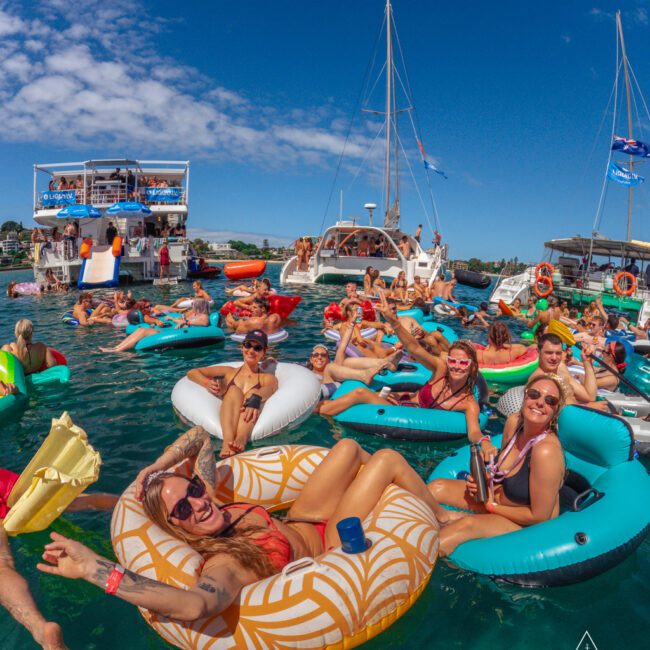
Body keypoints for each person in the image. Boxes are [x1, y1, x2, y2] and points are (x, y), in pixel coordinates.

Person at [37, 431, 462, 623]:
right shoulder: (226, 560)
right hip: (327, 545)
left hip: (302, 517)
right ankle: (440, 520)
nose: (197, 506)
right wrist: (96, 570)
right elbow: (195, 607)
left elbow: (200, 437)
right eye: (181, 511)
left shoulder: (214, 503)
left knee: (349, 447)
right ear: (178, 529)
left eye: (193, 493)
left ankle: (407, 507)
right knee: (385, 458)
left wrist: (156, 468)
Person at [428, 374, 566, 557]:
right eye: (534, 394)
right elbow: (503, 474)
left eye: (550, 401)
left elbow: (539, 517)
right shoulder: (514, 423)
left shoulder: (545, 451)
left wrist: (491, 507)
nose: (540, 402)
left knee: (466, 526)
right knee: (436, 488)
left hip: (525, 524)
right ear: (525, 395)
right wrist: (482, 483)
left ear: (555, 412)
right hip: (495, 502)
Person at [319, 306, 487, 450]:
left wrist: (484, 443)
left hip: (412, 419)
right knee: (343, 398)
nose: (457, 366)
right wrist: (394, 322)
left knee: (360, 393)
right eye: (453, 361)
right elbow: (414, 349)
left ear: (472, 366)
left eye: (463, 363)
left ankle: (317, 413)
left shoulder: (468, 402)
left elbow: (474, 432)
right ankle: (316, 410)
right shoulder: (441, 370)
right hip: (399, 404)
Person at [187, 331, 279, 457]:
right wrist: (207, 383)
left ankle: (241, 438)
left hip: (247, 420)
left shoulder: (265, 377)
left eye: (257, 348)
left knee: (253, 393)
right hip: (230, 411)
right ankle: (227, 442)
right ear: (242, 347)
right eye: (248, 345)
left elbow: (271, 388)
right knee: (234, 390)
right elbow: (192, 372)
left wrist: (257, 396)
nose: (251, 351)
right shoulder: (229, 372)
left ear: (264, 351)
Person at [100, 300, 211, 353]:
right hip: (171, 331)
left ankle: (119, 350)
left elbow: (204, 323)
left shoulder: (204, 316)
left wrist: (187, 322)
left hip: (170, 334)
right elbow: (182, 321)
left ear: (200, 307)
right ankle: (116, 347)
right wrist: (173, 319)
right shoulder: (196, 316)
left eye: (195, 306)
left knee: (143, 331)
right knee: (141, 329)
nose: (193, 308)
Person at [529, 333, 597, 405]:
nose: (554, 358)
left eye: (558, 353)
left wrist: (587, 362)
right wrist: (589, 406)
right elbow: (560, 410)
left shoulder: (560, 368)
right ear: (538, 352)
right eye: (549, 353)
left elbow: (590, 397)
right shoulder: (539, 379)